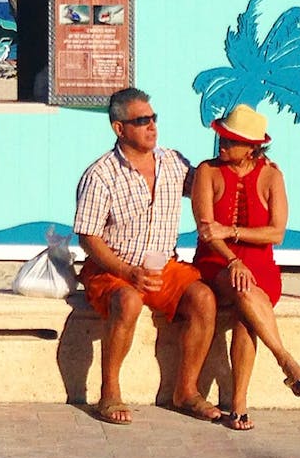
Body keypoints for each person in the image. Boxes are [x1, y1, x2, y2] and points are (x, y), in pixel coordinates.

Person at [73, 87, 221, 426]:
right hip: (113, 267)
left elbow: (205, 185)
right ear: (119, 128)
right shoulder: (100, 174)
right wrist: (126, 271)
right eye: (141, 121)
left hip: (162, 265)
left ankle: (186, 391)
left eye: (153, 118)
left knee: (203, 299)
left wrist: (247, 159)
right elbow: (88, 236)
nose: (152, 126)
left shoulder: (173, 162)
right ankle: (109, 391)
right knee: (127, 302)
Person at [191, 104, 300, 431]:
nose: (223, 145)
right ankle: (286, 361)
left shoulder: (272, 175)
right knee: (242, 287)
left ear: (252, 148)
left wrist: (233, 232)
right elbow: (206, 229)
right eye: (222, 138)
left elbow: (276, 232)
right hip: (216, 262)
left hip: (260, 268)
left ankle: (238, 404)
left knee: (247, 313)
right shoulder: (207, 171)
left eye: (232, 141)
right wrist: (232, 258)